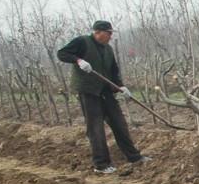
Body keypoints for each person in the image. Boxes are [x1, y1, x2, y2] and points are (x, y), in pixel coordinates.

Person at [56, 20, 147, 174]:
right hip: (89, 91)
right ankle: (101, 165)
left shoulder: (108, 49)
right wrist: (78, 60)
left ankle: (134, 157)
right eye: (108, 33)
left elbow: (113, 71)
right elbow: (62, 53)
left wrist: (120, 87)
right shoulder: (82, 42)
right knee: (96, 128)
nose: (110, 36)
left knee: (119, 123)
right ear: (98, 32)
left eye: (111, 33)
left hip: (105, 91)